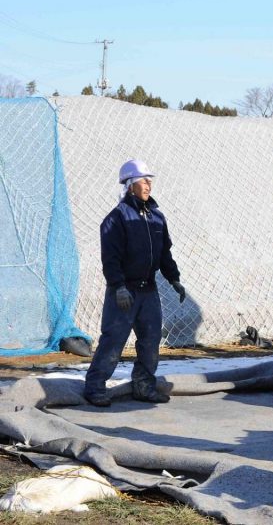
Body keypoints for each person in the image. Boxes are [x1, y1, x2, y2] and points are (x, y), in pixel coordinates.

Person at [82, 159, 190, 407]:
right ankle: (95, 388)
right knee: (113, 340)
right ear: (130, 185)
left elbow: (164, 254)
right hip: (125, 291)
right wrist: (118, 286)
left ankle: (144, 387)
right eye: (143, 180)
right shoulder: (116, 219)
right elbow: (110, 259)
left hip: (149, 290)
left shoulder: (157, 218)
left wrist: (174, 279)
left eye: (149, 180)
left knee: (150, 340)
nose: (148, 184)